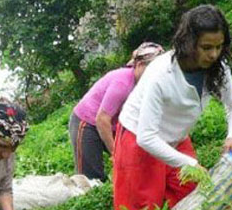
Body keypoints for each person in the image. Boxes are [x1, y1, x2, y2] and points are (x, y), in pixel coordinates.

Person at [113, 5, 232, 210]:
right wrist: (190, 164)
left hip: (176, 136)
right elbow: (146, 137)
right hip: (138, 139)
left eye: (219, 46)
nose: (214, 54)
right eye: (206, 47)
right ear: (189, 43)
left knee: (192, 196)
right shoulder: (161, 74)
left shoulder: (218, 67)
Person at [69, 42, 165, 181]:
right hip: (87, 122)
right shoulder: (123, 83)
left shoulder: (146, 86)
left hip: (113, 123)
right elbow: (102, 120)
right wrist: (115, 153)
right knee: (91, 177)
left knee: (132, 161)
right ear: (139, 65)